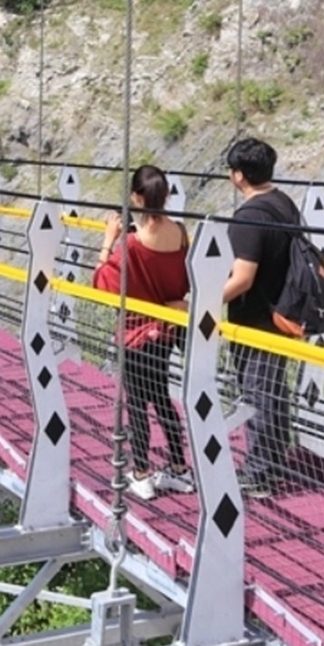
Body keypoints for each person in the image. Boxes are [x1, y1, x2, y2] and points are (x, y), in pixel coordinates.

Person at [94, 165, 193, 501]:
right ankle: (179, 468)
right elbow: (185, 279)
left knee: (137, 403)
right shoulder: (180, 233)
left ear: (136, 197)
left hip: (135, 332)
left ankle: (142, 473)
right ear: (165, 196)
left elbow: (104, 284)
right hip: (165, 329)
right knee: (162, 396)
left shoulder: (132, 244)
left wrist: (109, 239)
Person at [222, 136, 300, 499]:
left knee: (258, 394)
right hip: (285, 312)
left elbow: (243, 278)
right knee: (273, 391)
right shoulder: (284, 204)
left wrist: (201, 303)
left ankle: (258, 474)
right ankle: (273, 463)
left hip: (255, 319)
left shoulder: (249, 217)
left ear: (238, 176)